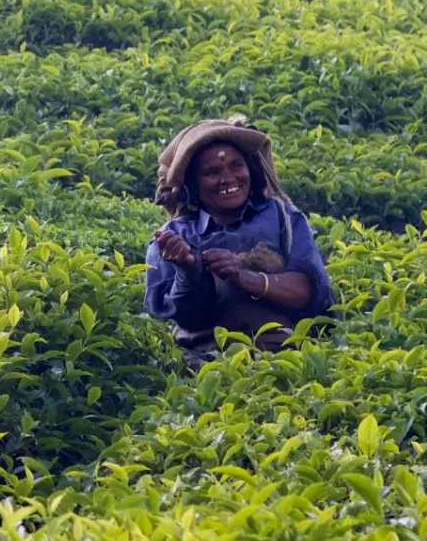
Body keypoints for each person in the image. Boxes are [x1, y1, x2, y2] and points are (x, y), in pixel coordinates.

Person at [144, 118, 335, 368]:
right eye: (212, 172)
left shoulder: (282, 217)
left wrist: (243, 277)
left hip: (286, 360)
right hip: (207, 365)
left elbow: (309, 292)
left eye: (237, 166)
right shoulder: (174, 236)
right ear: (193, 184)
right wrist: (187, 270)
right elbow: (188, 318)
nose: (228, 178)